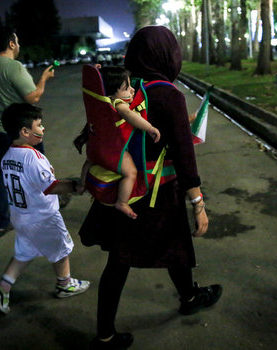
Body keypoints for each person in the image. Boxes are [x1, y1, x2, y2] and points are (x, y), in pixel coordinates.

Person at [84, 26, 222, 350]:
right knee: (172, 245)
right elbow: (185, 155)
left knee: (121, 261)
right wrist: (198, 202)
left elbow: (102, 129)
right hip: (160, 191)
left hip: (125, 190)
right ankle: (186, 298)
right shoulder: (169, 93)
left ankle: (107, 333)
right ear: (166, 54)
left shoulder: (128, 87)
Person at [0, 103, 90, 314]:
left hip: (20, 216)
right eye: (39, 125)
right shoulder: (33, 157)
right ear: (25, 132)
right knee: (61, 251)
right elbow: (51, 187)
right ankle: (65, 285)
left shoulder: (8, 156)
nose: (43, 129)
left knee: (23, 253)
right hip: (42, 218)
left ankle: (3, 288)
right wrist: (77, 187)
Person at [0, 27, 55, 235]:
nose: (18, 46)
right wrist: (44, 78)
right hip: (19, 132)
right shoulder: (13, 67)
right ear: (11, 43)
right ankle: (42, 212)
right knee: (38, 170)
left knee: (0, 173)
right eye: (17, 42)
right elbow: (33, 97)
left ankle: (1, 222)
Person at [80, 66, 161, 219]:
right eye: (126, 88)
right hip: (112, 152)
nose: (132, 90)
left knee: (88, 162)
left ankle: (81, 184)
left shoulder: (98, 102)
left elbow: (93, 86)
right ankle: (122, 202)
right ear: (112, 92)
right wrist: (149, 128)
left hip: (94, 149)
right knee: (130, 172)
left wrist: (97, 74)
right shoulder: (117, 104)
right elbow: (130, 115)